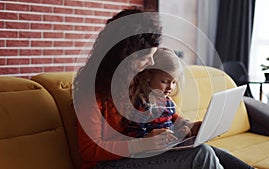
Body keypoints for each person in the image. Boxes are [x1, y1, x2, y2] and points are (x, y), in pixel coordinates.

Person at [73, 7, 254, 169]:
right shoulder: (93, 92)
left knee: (209, 150)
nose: (151, 62)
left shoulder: (136, 80)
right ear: (125, 57)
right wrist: (143, 144)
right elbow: (90, 150)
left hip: (141, 153)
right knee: (201, 155)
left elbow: (164, 113)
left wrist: (189, 126)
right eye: (146, 57)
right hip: (108, 164)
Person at [124, 47, 191, 139]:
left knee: (209, 149)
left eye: (174, 82)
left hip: (170, 145)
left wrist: (181, 132)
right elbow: (134, 134)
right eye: (164, 81)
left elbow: (170, 127)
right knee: (204, 151)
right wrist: (150, 138)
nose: (170, 87)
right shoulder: (143, 105)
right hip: (153, 149)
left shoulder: (168, 103)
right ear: (148, 77)